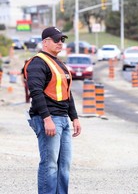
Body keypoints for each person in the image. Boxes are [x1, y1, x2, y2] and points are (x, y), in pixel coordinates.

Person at [23, 26, 81, 194]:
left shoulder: (59, 64)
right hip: (49, 119)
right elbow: (36, 92)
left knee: (64, 165)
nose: (60, 43)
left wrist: (74, 117)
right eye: (56, 40)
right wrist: (47, 118)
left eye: (62, 40)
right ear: (45, 42)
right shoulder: (37, 63)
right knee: (49, 164)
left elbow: (67, 92)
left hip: (62, 119)